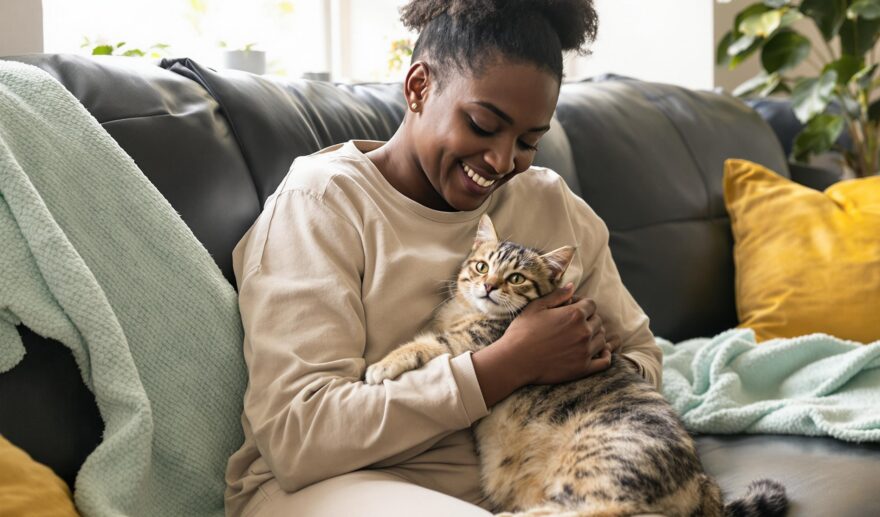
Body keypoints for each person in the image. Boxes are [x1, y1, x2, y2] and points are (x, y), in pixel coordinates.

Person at [223, 1, 662, 515]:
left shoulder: (549, 202)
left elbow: (644, 358)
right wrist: (506, 365)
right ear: (418, 88)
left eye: (528, 141)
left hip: (536, 483)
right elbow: (299, 438)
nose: (502, 161)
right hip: (335, 486)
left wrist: (589, 364)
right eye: (481, 124)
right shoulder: (322, 204)